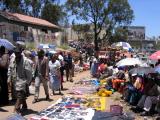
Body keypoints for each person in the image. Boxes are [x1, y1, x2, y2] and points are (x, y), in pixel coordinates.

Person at [7, 47, 32, 114]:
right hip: (15, 80)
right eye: (15, 53)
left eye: (18, 53)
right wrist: (9, 78)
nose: (16, 54)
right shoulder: (12, 60)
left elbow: (29, 73)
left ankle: (16, 109)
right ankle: (24, 105)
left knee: (20, 95)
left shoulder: (26, 61)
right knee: (19, 94)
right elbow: (10, 69)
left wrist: (28, 82)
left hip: (23, 81)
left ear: (20, 53)